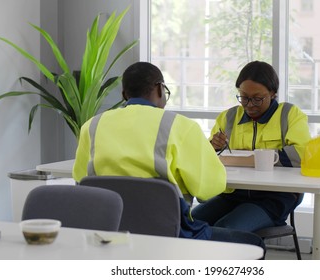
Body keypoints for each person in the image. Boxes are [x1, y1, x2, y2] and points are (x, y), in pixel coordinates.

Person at [72, 61, 265, 253]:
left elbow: (82, 181)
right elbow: (209, 189)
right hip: (169, 235)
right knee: (254, 245)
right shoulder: (181, 126)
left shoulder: (92, 126)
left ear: (124, 95)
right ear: (160, 89)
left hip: (110, 233)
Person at [192, 60, 311, 232]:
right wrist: (213, 147)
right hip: (233, 194)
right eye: (244, 97)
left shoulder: (289, 114)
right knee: (188, 222)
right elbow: (208, 157)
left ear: (273, 94)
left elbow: (301, 155)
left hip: (275, 197)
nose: (249, 105)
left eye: (257, 99)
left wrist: (248, 159)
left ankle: (253, 253)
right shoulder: (229, 117)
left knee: (226, 228)